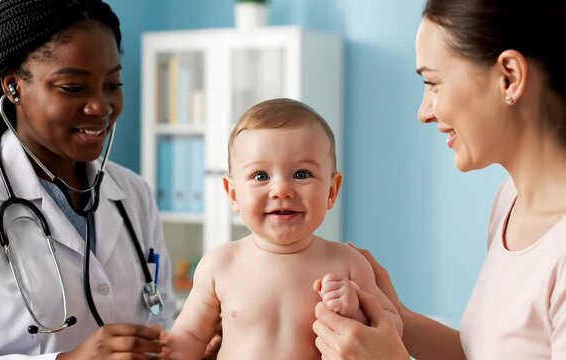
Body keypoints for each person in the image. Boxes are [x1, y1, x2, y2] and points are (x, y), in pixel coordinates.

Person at [312, 0, 566, 359]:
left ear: (509, 76)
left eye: (433, 82)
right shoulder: (510, 200)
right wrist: (395, 319)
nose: (423, 112)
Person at [0, 0, 178, 358]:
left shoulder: (132, 194)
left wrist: (192, 345)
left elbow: (161, 320)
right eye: (73, 88)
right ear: (13, 87)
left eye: (113, 84)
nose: (101, 107)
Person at [166, 98, 403, 359]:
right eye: (261, 176)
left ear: (332, 191)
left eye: (301, 174)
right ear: (233, 194)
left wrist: (356, 310)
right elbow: (188, 336)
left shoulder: (347, 263)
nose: (281, 190)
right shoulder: (220, 264)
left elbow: (392, 328)